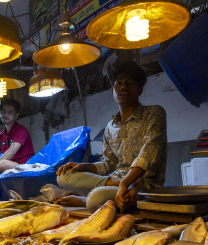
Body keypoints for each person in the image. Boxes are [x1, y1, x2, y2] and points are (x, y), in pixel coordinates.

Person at [56, 61, 167, 212]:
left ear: (140, 89)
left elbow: (148, 155)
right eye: (119, 83)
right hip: (118, 184)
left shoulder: (154, 113)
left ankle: (86, 200)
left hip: (144, 185)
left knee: (95, 199)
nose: (123, 87)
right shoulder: (110, 127)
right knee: (63, 176)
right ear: (112, 91)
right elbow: (108, 164)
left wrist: (126, 183)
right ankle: (112, 189)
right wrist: (82, 166)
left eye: (130, 83)